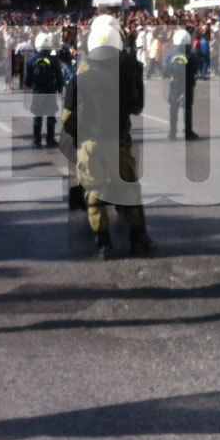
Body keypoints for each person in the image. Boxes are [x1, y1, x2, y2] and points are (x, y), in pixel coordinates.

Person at [61, 16, 155, 259]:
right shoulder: (127, 75)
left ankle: (103, 244)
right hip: (119, 140)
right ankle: (138, 239)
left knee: (94, 192)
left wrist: (78, 134)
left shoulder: (80, 77)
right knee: (129, 190)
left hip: (90, 143)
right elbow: (136, 107)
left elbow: (68, 120)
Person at [25, 32, 62, 147]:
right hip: (50, 91)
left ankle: (37, 141)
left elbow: (28, 78)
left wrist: (29, 85)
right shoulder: (54, 60)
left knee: (38, 117)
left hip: (38, 92)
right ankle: (50, 140)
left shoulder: (31, 60)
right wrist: (59, 88)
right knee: (51, 116)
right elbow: (59, 76)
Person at [166, 28, 199, 140]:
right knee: (187, 109)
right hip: (187, 85)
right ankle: (188, 132)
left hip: (175, 85)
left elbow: (167, 69)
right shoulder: (191, 55)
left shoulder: (170, 55)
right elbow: (195, 69)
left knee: (173, 109)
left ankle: (172, 132)